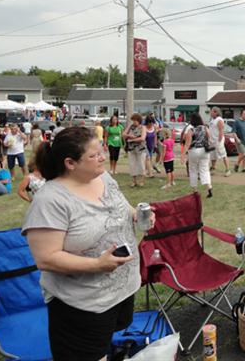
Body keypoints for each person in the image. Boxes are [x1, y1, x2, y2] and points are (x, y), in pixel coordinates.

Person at [22, 127, 153, 361]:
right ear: (70, 163)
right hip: (83, 304)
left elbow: (120, 206)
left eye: (102, 150)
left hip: (119, 292)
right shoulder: (50, 200)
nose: (103, 157)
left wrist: (136, 214)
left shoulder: (102, 176)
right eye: (94, 155)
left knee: (104, 343)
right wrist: (97, 265)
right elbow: (46, 258)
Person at [181, 113, 213, 198]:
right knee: (205, 170)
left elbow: (187, 143)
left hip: (194, 151)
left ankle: (195, 191)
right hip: (204, 151)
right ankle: (209, 188)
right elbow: (209, 139)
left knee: (193, 170)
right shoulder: (205, 127)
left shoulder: (191, 129)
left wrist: (183, 155)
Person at [123, 113, 147, 188]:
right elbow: (123, 134)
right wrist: (129, 135)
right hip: (131, 149)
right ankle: (134, 181)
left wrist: (131, 140)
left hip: (140, 149)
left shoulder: (143, 127)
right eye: (133, 121)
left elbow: (142, 138)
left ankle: (142, 181)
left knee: (141, 165)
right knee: (132, 165)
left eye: (134, 121)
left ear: (138, 120)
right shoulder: (130, 127)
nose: (133, 122)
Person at [208, 107, 231, 176]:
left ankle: (227, 170)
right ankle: (213, 168)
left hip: (218, 141)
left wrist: (219, 141)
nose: (210, 113)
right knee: (213, 156)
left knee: (223, 155)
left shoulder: (219, 120)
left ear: (216, 112)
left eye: (212, 111)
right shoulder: (212, 120)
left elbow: (221, 131)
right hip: (212, 141)